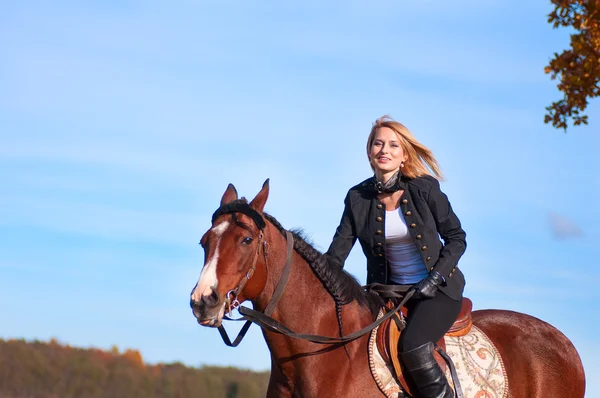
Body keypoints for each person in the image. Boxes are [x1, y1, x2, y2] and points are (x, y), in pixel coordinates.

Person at [325, 115, 466, 398]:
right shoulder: (357, 197)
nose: (384, 150)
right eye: (378, 144)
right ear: (369, 152)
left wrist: (434, 278)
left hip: (436, 291)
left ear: (403, 155)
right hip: (385, 294)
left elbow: (456, 238)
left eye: (393, 145)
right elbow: (336, 256)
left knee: (412, 345)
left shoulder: (425, 188)